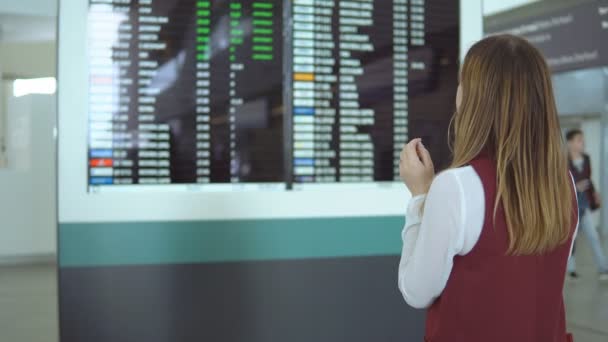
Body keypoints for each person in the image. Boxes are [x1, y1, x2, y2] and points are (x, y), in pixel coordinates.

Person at [397, 34, 578, 342]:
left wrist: (420, 197)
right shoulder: (565, 185)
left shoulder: (455, 187)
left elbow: (416, 292)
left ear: (473, 98)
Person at [565, 129, 608, 280]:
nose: (582, 142)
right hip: (570, 207)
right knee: (572, 239)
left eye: (582, 140)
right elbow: (561, 186)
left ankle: (603, 268)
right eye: (578, 140)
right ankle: (570, 270)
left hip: (585, 205)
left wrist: (595, 194)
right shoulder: (563, 161)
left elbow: (589, 180)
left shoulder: (587, 159)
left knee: (593, 237)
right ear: (570, 143)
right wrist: (576, 188)